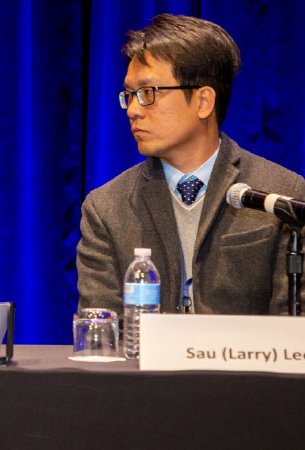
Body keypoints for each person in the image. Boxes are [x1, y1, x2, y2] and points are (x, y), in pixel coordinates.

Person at [77, 14, 305, 316]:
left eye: (148, 93)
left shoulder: (282, 194)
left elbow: (291, 327)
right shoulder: (106, 208)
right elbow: (100, 334)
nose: (132, 110)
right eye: (129, 95)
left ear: (203, 102)